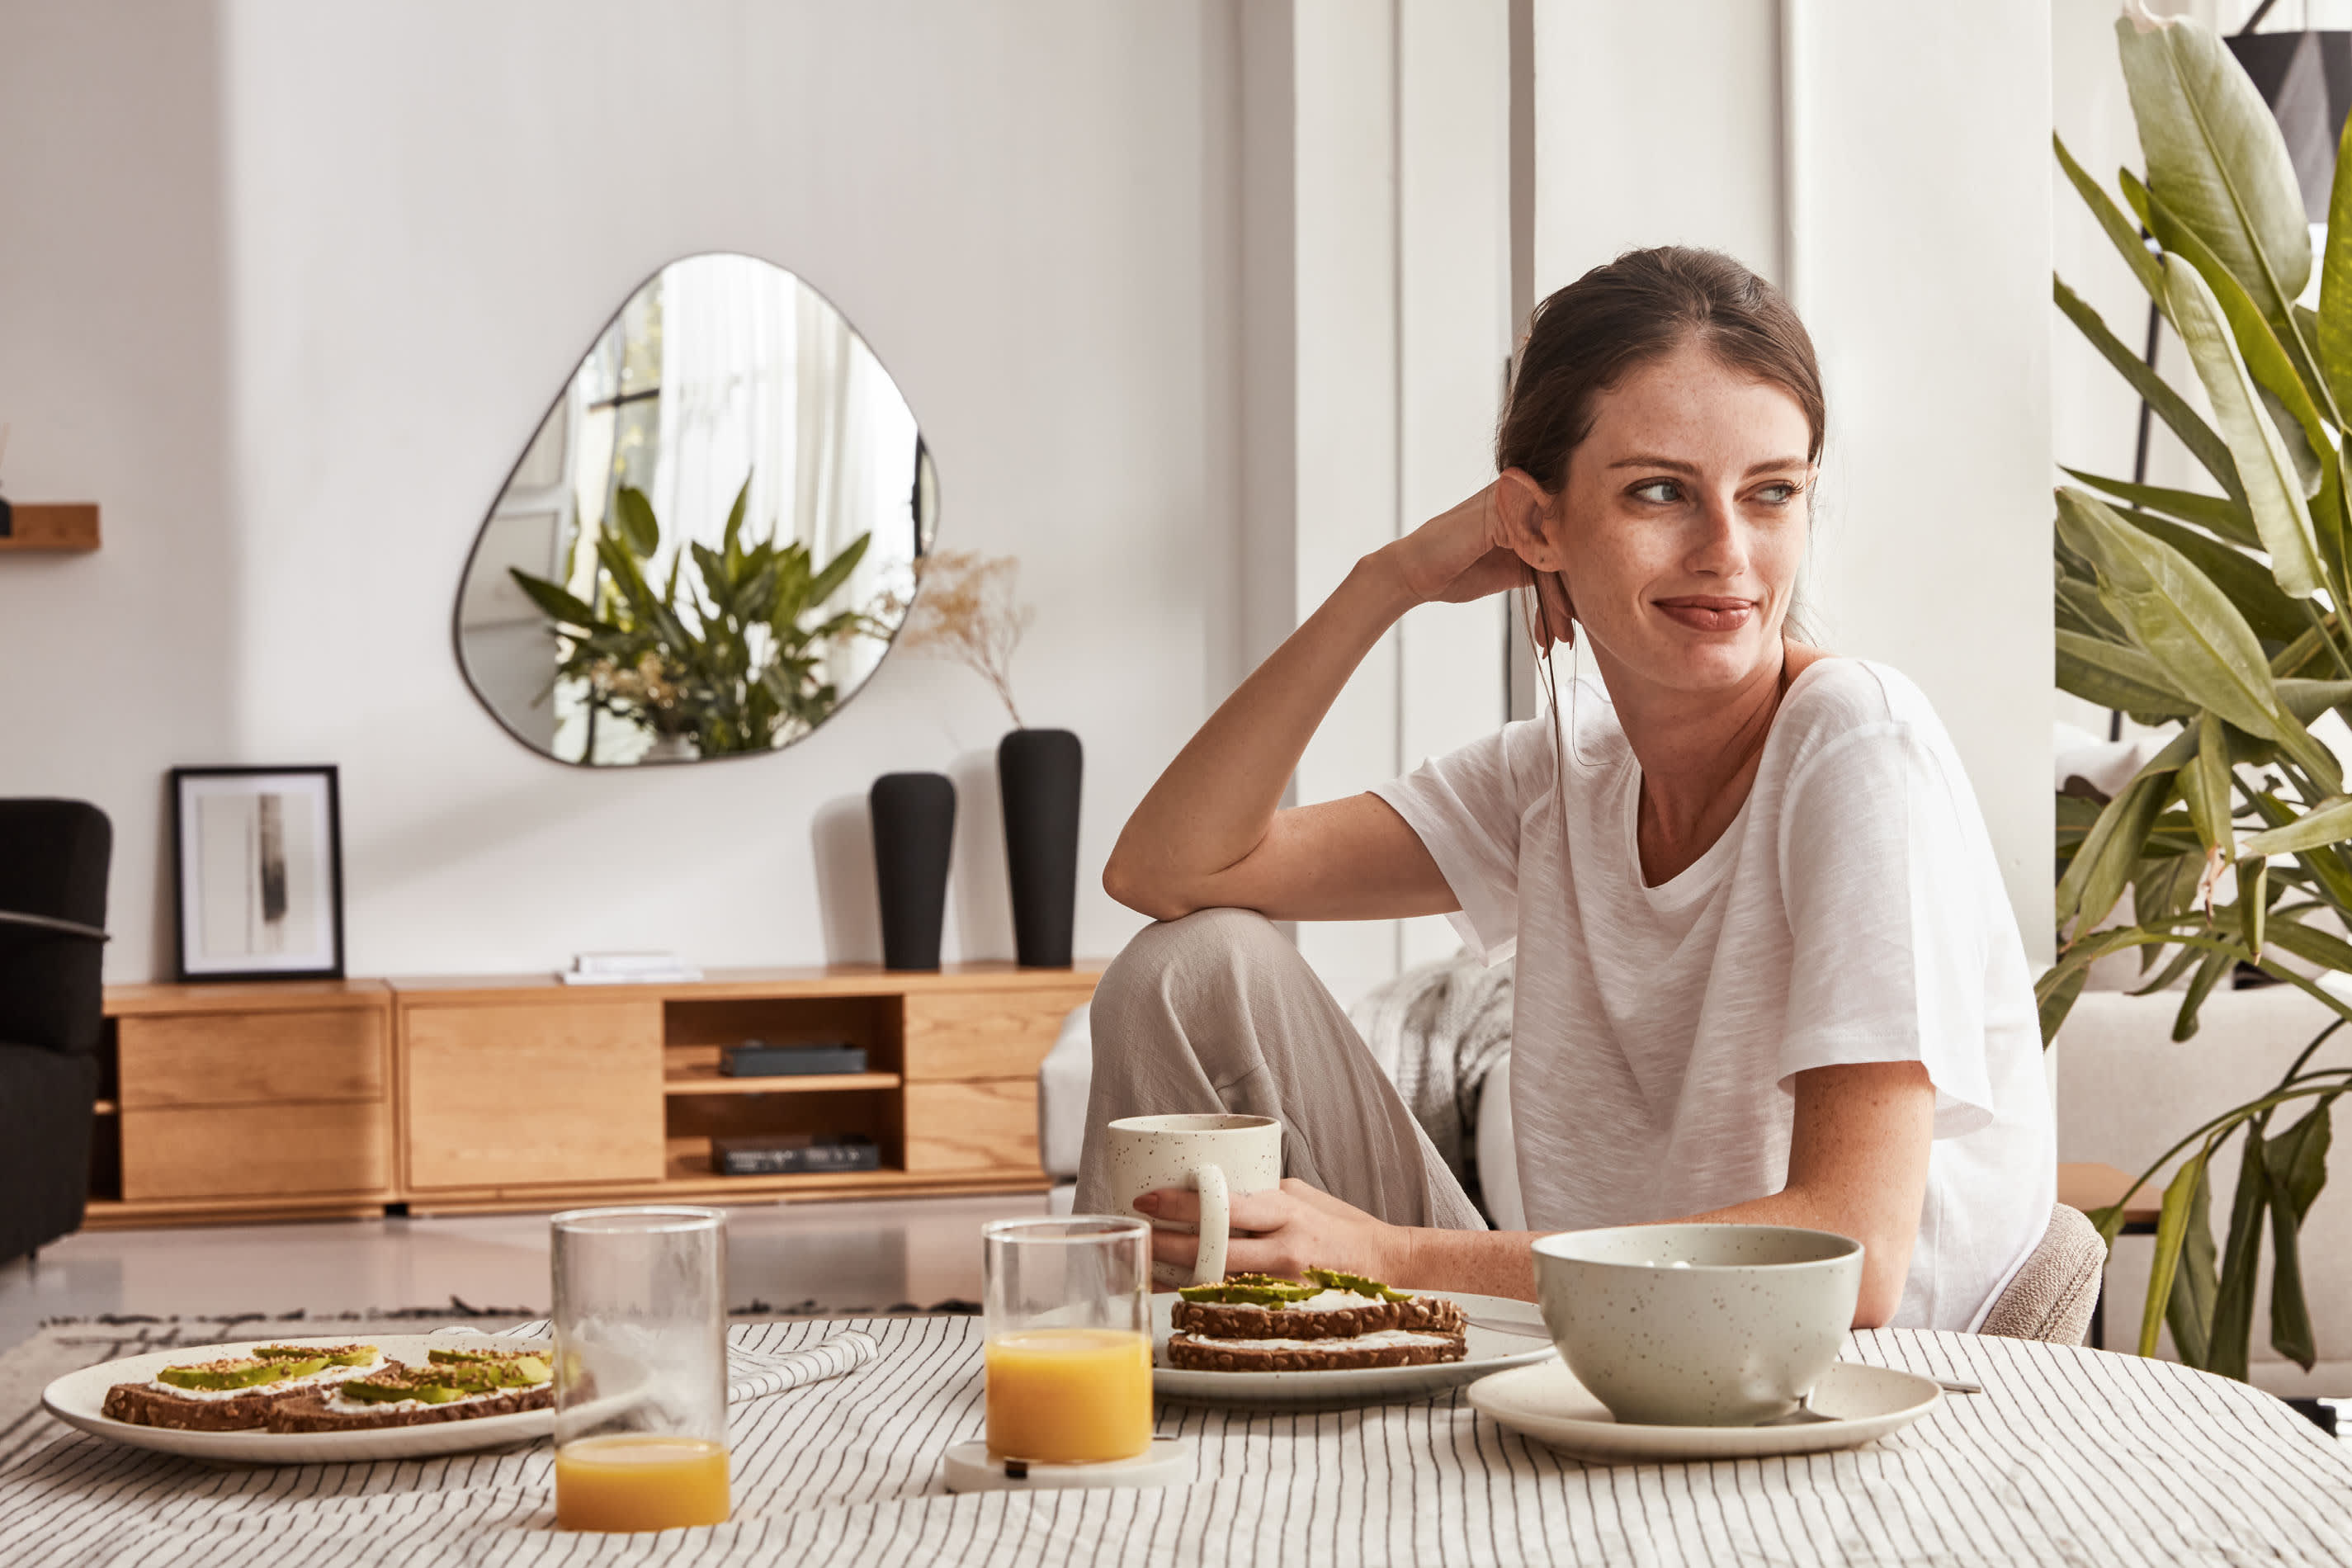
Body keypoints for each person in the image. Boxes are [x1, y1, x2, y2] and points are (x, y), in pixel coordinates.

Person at [1074, 245, 2053, 1330]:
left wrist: (1392, 1258)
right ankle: (1145, 1380)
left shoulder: (1856, 741)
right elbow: (1166, 869)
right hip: (1591, 1345)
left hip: (1826, 1367)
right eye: (1659, 492)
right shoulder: (1560, 773)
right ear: (1537, 525)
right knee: (1187, 969)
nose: (1728, 552)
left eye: (1771, 494)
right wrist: (1387, 581)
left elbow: (1854, 1262)